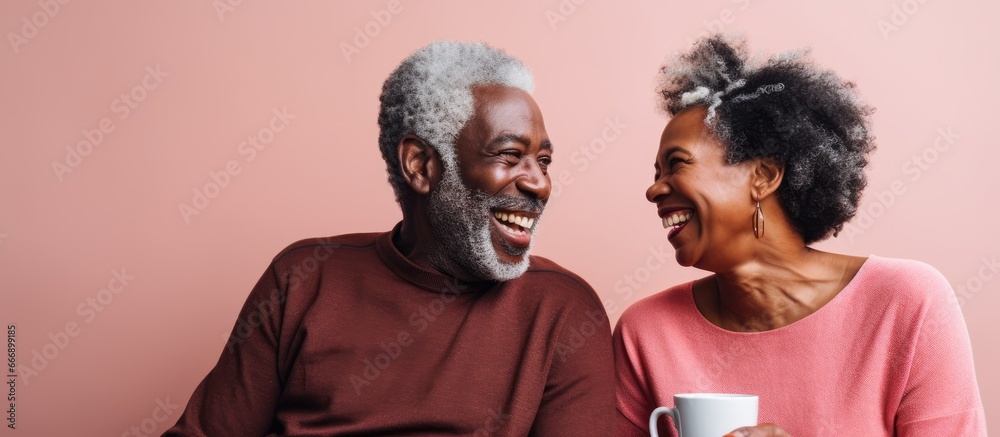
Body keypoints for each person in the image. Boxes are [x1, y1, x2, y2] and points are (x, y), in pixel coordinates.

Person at [165, 41, 614, 436]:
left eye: (545, 160)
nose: (539, 184)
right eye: (510, 155)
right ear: (420, 165)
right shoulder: (304, 277)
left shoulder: (564, 310)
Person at [614, 34, 986, 437]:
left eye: (677, 164)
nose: (654, 190)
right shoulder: (646, 332)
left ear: (763, 176)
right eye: (656, 174)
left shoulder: (907, 303)